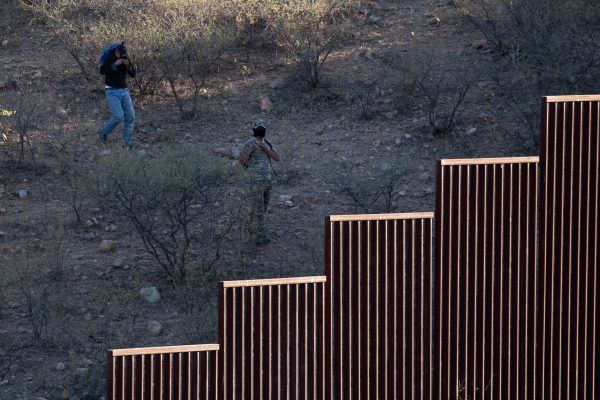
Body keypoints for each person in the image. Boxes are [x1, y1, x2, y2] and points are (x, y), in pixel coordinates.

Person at [237, 118, 280, 246]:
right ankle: (260, 236)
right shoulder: (249, 143)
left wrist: (266, 149)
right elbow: (241, 161)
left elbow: (277, 158)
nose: (260, 131)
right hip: (256, 182)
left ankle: (249, 226)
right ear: (254, 130)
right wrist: (251, 152)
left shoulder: (268, 143)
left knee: (263, 208)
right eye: (258, 129)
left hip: (267, 181)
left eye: (262, 129)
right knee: (259, 209)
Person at [99, 42, 136, 147]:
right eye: (121, 55)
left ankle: (127, 142)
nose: (123, 56)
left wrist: (128, 65)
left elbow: (133, 74)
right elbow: (102, 71)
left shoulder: (125, 57)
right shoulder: (110, 58)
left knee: (131, 117)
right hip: (112, 90)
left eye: (125, 55)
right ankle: (104, 131)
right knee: (118, 116)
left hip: (124, 90)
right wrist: (115, 64)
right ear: (117, 51)